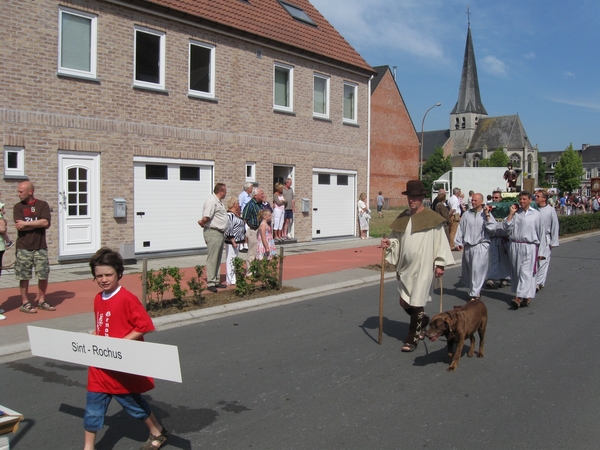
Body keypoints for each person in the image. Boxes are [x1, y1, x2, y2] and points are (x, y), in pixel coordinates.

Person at [84, 248, 168, 450]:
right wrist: (95, 334)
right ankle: (88, 447)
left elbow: (145, 325)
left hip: (121, 365)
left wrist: (122, 343)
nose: (104, 279)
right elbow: (104, 323)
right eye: (99, 276)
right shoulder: (97, 298)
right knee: (92, 408)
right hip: (100, 364)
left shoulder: (127, 298)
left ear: (119, 273)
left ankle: (157, 431)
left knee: (132, 403)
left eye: (108, 275)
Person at [381, 180, 454, 353]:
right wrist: (388, 243)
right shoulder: (403, 217)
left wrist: (440, 263)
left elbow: (440, 242)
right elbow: (396, 240)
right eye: (409, 197)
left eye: (415, 197)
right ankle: (422, 320)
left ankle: (412, 339)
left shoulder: (432, 218)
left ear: (422, 197)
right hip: (406, 267)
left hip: (423, 266)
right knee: (404, 302)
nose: (411, 200)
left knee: (416, 303)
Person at [14, 181, 53, 314]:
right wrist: (36, 223)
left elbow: (46, 222)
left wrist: (27, 224)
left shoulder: (42, 205)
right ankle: (25, 302)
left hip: (40, 246)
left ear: (30, 192)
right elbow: (19, 225)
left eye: (21, 191)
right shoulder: (18, 207)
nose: (18, 194)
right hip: (24, 247)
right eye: (18, 191)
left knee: (43, 274)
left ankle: (41, 301)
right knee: (24, 275)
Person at [503, 190, 544, 309]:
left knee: (525, 272)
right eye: (520, 199)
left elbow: (541, 234)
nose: (522, 201)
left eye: (524, 199)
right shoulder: (516, 213)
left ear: (530, 200)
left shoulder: (536, 215)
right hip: (515, 245)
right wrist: (511, 213)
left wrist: (541, 252)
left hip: (530, 246)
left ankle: (519, 297)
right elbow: (506, 227)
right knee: (517, 272)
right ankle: (526, 297)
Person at [454, 193, 495, 301]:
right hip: (469, 246)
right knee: (470, 270)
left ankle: (474, 294)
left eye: (475, 201)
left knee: (478, 270)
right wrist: (458, 242)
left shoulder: (486, 214)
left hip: (481, 246)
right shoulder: (467, 214)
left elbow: (492, 229)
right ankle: (475, 291)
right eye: (472, 200)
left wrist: (487, 215)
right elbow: (461, 229)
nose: (472, 202)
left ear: (481, 202)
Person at [198, 183, 228, 293]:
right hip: (213, 232)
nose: (226, 193)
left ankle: (215, 280)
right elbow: (207, 217)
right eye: (225, 191)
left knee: (218, 257)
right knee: (213, 258)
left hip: (219, 233)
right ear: (221, 191)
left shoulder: (218, 202)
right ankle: (210, 282)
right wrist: (202, 222)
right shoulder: (211, 201)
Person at [534, 189, 559, 292]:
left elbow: (555, 226)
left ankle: (538, 282)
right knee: (535, 261)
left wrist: (553, 241)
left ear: (544, 198)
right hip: (534, 238)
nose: (535, 198)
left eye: (538, 196)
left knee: (543, 261)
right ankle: (538, 281)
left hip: (545, 238)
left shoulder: (550, 210)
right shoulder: (534, 209)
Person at [485, 190, 511, 289]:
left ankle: (504, 278)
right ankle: (491, 278)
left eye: (496, 198)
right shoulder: (490, 209)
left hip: (504, 238)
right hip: (494, 238)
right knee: (493, 258)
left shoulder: (507, 209)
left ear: (501, 199)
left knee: (504, 259)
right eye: (493, 198)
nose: (494, 200)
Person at [224, 196, 246, 286]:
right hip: (232, 242)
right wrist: (232, 240)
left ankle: (233, 277)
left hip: (237, 241)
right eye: (237, 203)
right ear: (234, 204)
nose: (238, 204)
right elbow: (229, 228)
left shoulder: (235, 215)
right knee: (231, 260)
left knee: (234, 259)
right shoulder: (229, 216)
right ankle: (231, 279)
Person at [242, 187, 265, 266]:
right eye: (261, 194)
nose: (263, 195)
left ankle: (257, 270)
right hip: (253, 230)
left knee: (260, 251)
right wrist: (250, 227)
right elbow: (245, 217)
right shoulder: (250, 205)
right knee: (252, 251)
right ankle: (250, 271)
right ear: (255, 196)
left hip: (260, 231)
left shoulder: (261, 204)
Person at [238, 183, 253, 252]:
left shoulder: (249, 196)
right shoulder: (242, 195)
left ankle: (246, 245)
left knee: (247, 230)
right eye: (251, 188)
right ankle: (241, 246)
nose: (252, 189)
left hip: (248, 215)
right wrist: (240, 216)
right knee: (243, 230)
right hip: (243, 215)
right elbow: (240, 205)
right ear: (247, 188)